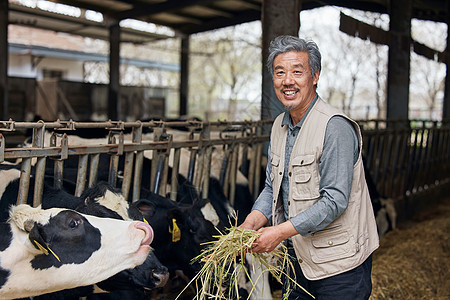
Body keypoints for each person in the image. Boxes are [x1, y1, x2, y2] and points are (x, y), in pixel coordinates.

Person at [240, 35, 379, 299]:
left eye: (297, 71)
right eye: (280, 72)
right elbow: (273, 187)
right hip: (298, 261)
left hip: (339, 267)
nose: (287, 81)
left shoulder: (334, 127)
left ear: (314, 76)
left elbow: (335, 201)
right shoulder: (279, 126)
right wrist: (250, 223)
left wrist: (278, 233)